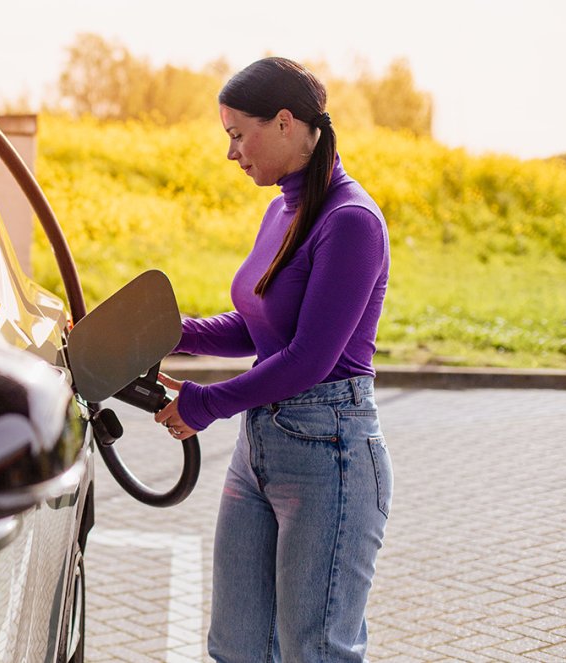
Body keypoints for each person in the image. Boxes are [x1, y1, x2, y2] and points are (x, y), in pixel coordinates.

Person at [153, 57, 393, 662]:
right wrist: (164, 333)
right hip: (259, 449)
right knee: (237, 648)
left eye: (238, 134)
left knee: (314, 651)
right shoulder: (284, 208)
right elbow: (259, 325)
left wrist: (205, 403)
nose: (231, 153)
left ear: (285, 123)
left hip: (329, 452)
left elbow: (311, 357)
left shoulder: (352, 221)